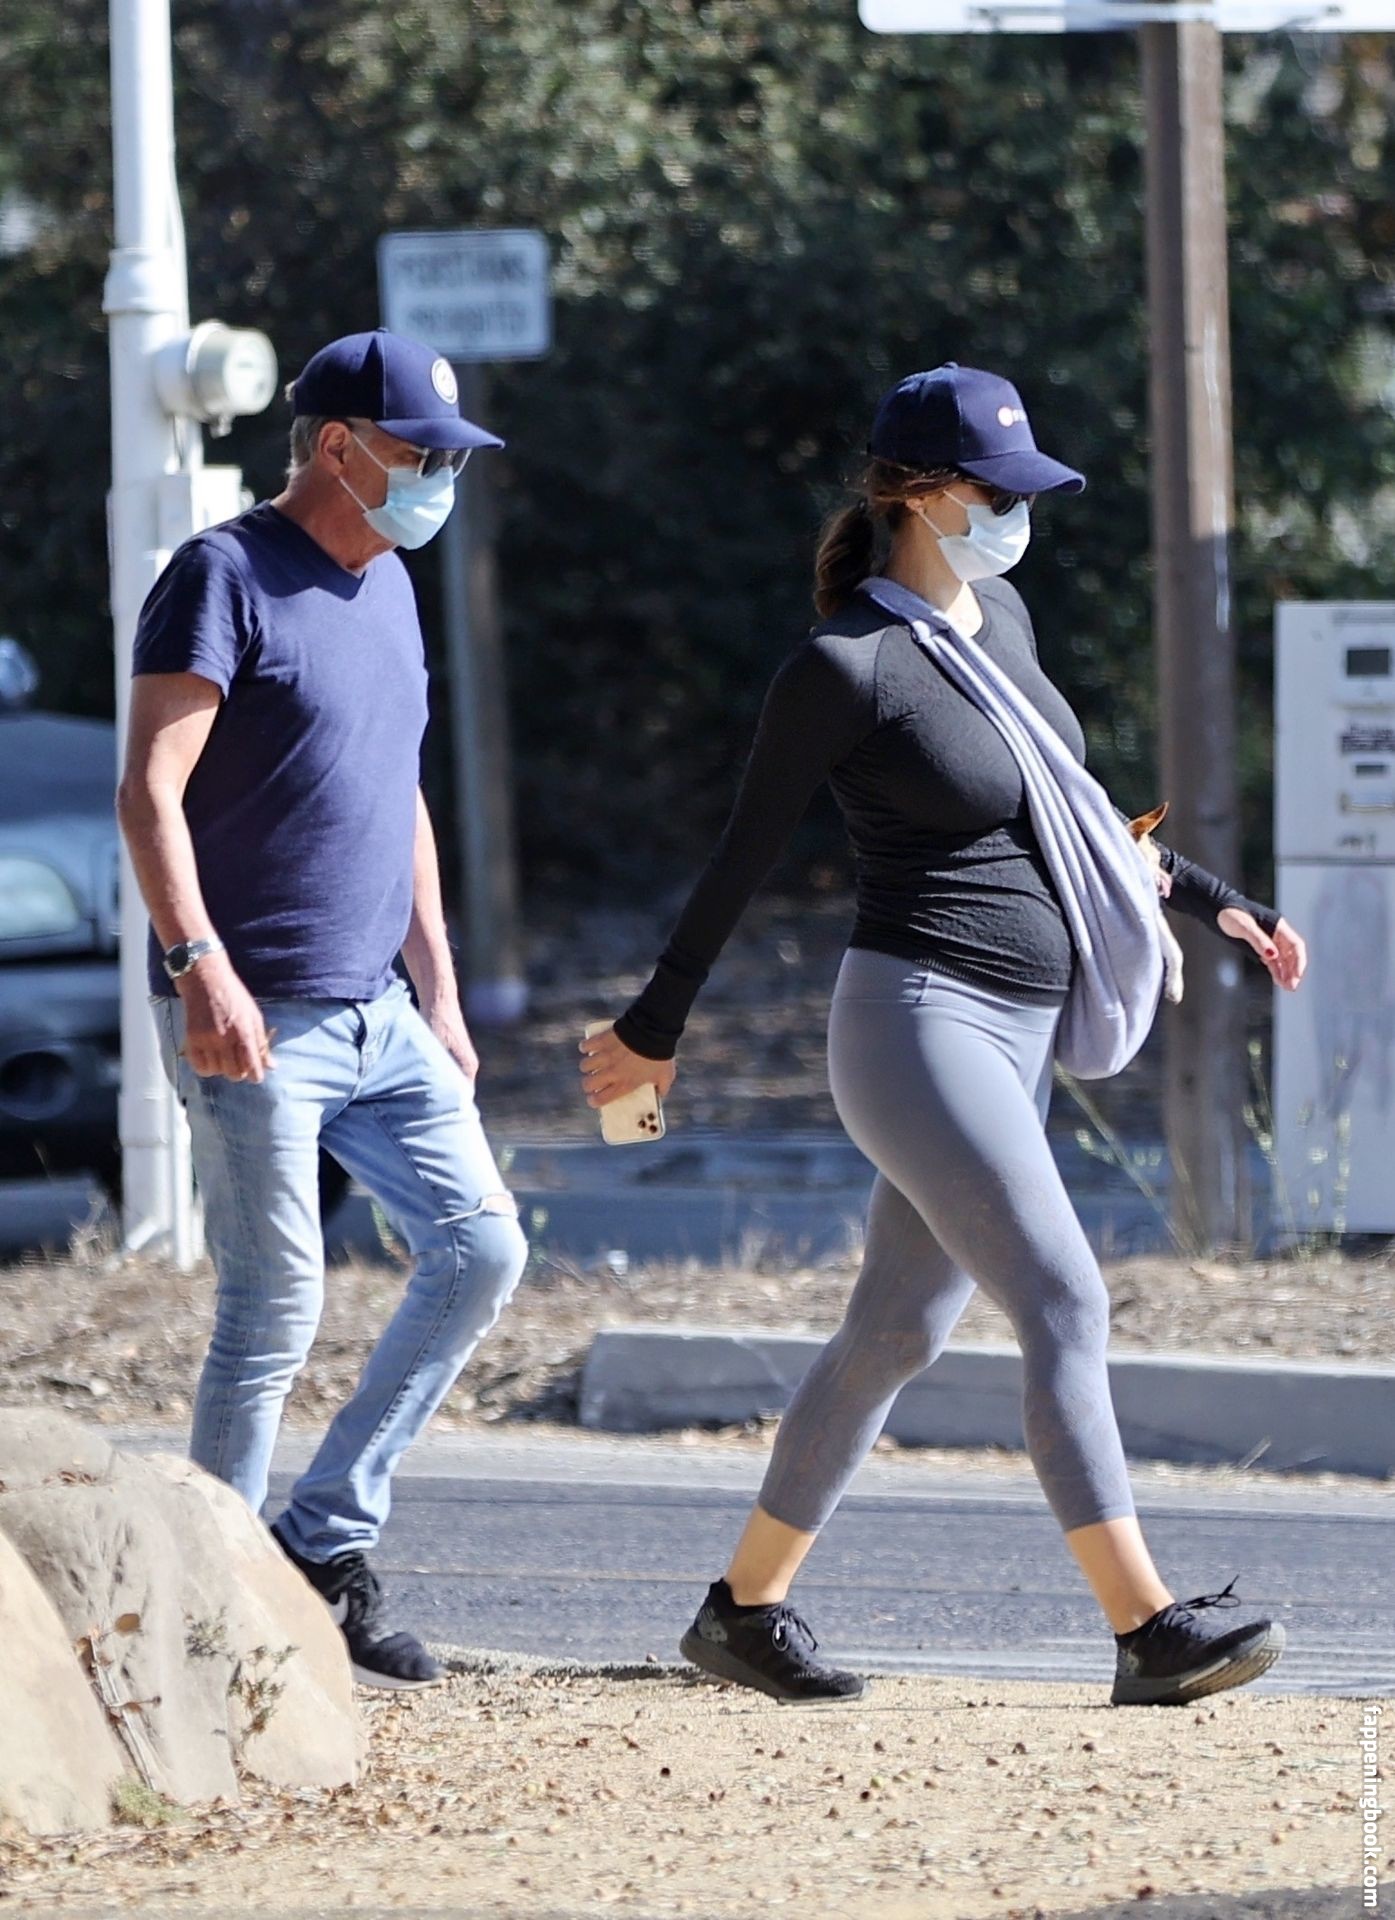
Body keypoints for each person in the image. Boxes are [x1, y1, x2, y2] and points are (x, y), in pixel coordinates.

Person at [579, 363, 1308, 1709]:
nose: (1020, 512)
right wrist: (651, 1032)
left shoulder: (1000, 617)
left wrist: (1218, 902)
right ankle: (1148, 1631)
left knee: (893, 1334)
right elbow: (740, 859)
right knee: (1065, 1300)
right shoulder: (845, 664)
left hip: (1017, 1036)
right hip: (917, 1028)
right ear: (918, 493)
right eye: (998, 488)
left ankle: (742, 1612)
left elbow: (1074, 808)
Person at [118, 328, 529, 1689]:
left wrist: (441, 989)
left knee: (480, 1251)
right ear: (338, 446)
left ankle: (321, 1543)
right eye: (422, 455)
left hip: (380, 1013)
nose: (440, 481)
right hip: (252, 1014)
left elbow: (396, 793)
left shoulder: (389, 584)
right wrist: (199, 967)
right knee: (274, 1303)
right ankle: (207, 1608)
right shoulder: (221, 576)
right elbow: (150, 790)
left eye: (451, 459)